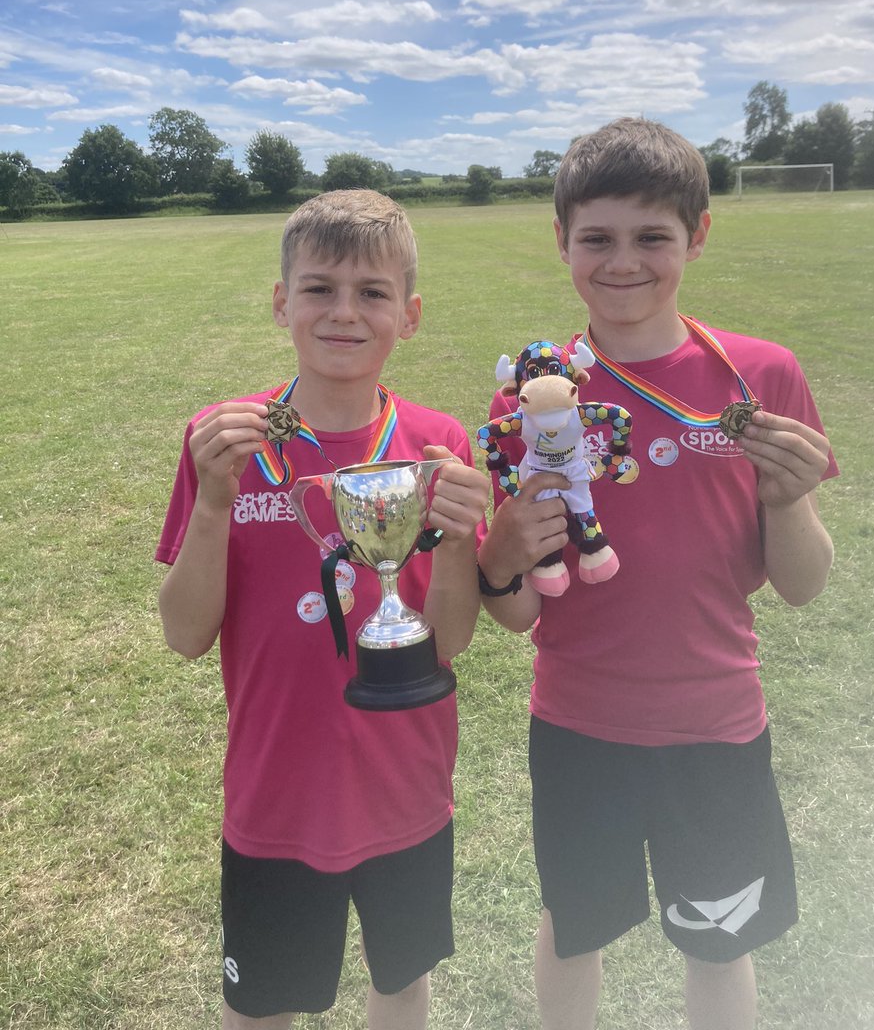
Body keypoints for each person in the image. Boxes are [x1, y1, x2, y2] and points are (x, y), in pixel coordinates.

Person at [476, 119, 837, 1030]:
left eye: (652, 237)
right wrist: (502, 555)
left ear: (698, 236)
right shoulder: (532, 394)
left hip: (715, 723)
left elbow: (801, 583)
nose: (622, 261)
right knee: (573, 929)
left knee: (721, 935)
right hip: (577, 724)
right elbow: (516, 613)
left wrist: (791, 501)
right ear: (561, 240)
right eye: (596, 237)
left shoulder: (759, 376)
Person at [157, 190, 490, 1030]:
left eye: (373, 292)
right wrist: (212, 505)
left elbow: (448, 640)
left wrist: (455, 544)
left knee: (401, 986)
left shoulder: (437, 441)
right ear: (282, 303)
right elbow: (184, 634)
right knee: (263, 1005)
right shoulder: (224, 439)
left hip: (406, 789)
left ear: (408, 316)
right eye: (319, 288)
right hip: (276, 797)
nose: (345, 312)